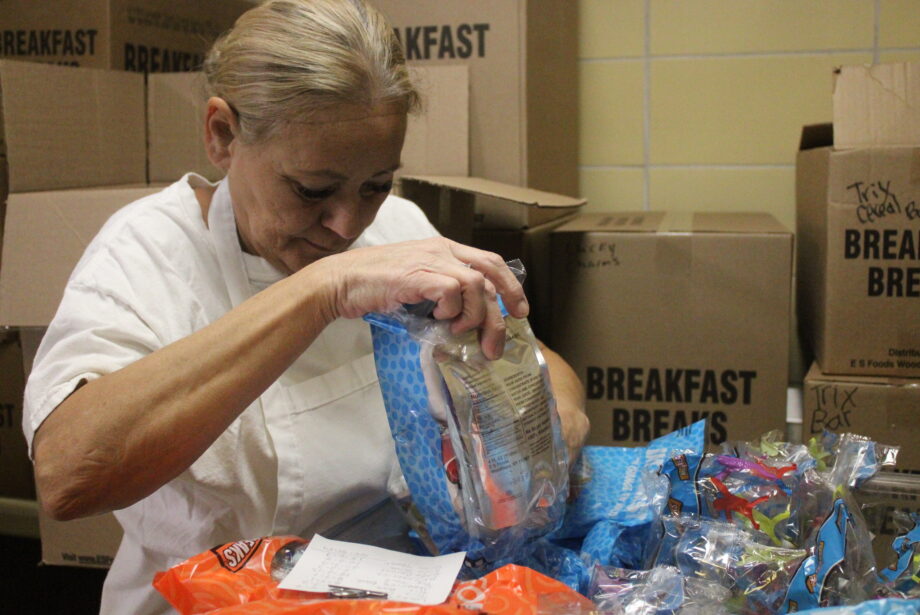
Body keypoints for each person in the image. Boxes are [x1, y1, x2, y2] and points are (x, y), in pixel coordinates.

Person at [22, 1, 589, 613]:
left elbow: (530, 359)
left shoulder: (397, 227)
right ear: (222, 135)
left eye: (375, 184)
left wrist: (554, 422)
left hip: (398, 587)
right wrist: (322, 290)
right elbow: (68, 476)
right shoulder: (149, 253)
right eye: (311, 190)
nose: (347, 223)